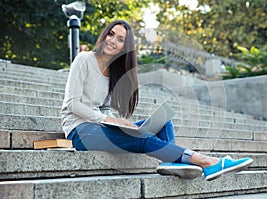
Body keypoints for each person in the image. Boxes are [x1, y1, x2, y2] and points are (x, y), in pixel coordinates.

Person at [61, 20, 253, 181]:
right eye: (110, 34)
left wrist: (117, 124)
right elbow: (73, 104)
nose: (112, 41)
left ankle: (172, 163)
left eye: (120, 40)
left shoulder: (114, 72)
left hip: (100, 127)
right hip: (79, 131)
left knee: (163, 122)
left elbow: (102, 107)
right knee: (144, 138)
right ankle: (208, 162)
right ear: (104, 35)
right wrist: (110, 121)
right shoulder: (84, 59)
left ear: (124, 48)